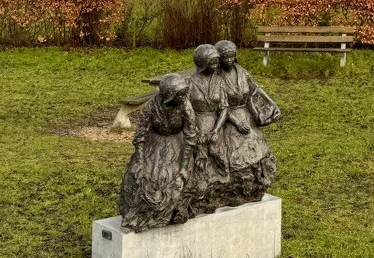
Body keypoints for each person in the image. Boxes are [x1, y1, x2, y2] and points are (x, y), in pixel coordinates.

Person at [187, 39, 281, 213]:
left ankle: (252, 183)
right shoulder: (216, 76)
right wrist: (234, 122)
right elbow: (221, 107)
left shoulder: (242, 72)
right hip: (228, 122)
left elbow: (254, 91)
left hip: (244, 117)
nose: (229, 60)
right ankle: (226, 186)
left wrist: (269, 108)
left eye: (232, 56)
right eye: (225, 57)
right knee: (229, 156)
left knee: (256, 151)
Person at [118, 73, 196, 232]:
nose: (184, 97)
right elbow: (140, 137)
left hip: (177, 145)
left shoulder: (185, 106)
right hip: (155, 144)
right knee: (144, 175)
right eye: (179, 94)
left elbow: (190, 138)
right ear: (169, 96)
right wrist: (140, 162)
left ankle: (170, 212)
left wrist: (184, 167)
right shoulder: (151, 107)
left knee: (171, 177)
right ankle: (141, 214)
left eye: (184, 93)